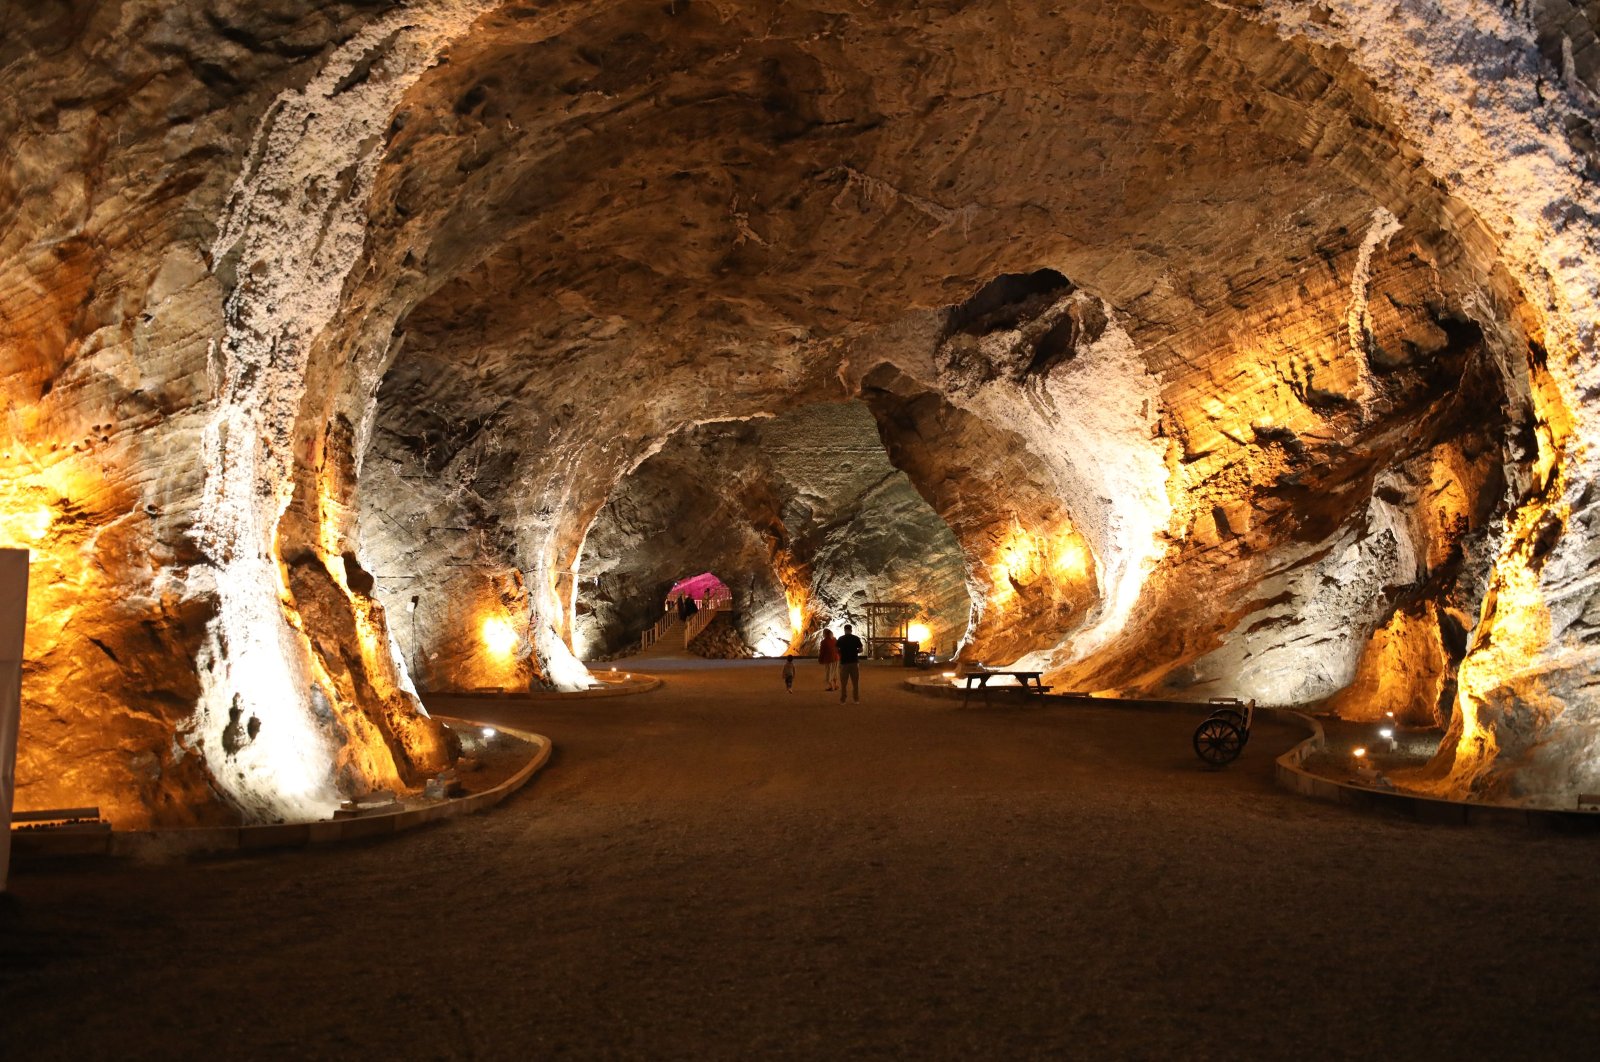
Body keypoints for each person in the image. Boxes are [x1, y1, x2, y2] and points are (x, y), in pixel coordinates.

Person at [836, 623, 863, 703]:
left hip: (844, 662)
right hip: (854, 662)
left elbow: (836, 649)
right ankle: (856, 699)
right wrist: (856, 651)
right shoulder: (856, 638)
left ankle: (843, 700)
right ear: (851, 630)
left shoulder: (841, 639)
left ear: (844, 630)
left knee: (843, 683)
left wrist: (841, 653)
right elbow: (861, 649)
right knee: (855, 683)